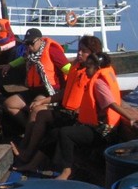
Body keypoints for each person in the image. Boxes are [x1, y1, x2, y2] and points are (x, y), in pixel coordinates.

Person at [16, 51, 137, 180]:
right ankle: (33, 164)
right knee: (54, 133)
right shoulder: (92, 79)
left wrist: (130, 117)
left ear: (97, 68)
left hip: (103, 131)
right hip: (91, 125)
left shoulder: (98, 83)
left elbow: (111, 104)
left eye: (89, 67)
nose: (86, 70)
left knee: (66, 133)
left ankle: (67, 171)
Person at [11, 35, 100, 166]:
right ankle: (26, 150)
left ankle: (27, 153)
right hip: (66, 110)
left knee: (45, 121)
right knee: (38, 110)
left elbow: (96, 100)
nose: (79, 53)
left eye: (84, 51)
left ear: (93, 54)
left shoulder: (93, 74)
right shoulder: (76, 68)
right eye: (79, 49)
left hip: (77, 116)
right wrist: (43, 101)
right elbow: (66, 92)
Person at [0, 28, 71, 128]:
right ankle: (28, 129)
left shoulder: (52, 50)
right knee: (9, 104)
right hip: (34, 89)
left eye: (31, 43)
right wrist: (10, 65)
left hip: (50, 91)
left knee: (35, 107)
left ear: (40, 40)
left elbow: (69, 69)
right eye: (26, 43)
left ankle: (32, 137)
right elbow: (23, 59)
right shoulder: (31, 54)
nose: (29, 46)